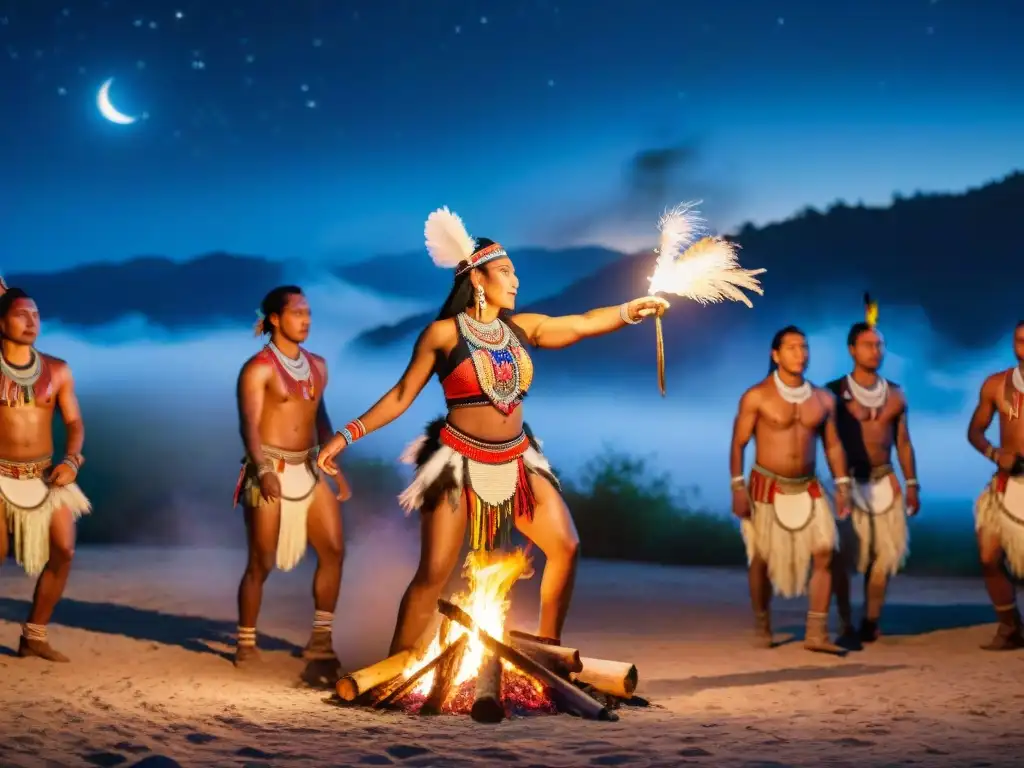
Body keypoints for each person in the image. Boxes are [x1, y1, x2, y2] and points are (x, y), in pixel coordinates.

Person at [317, 206, 668, 654]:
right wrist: (343, 437)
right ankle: (393, 670)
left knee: (566, 545)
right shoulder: (442, 335)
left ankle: (549, 653)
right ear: (478, 280)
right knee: (433, 574)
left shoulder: (523, 328)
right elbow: (402, 395)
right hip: (457, 462)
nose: (516, 281)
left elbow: (581, 324)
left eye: (515, 272)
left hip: (518, 461)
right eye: (505, 272)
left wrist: (630, 310)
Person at [233, 286, 350, 674]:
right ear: (275, 320)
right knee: (261, 561)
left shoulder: (318, 365)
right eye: (298, 313)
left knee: (333, 549)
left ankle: (320, 640)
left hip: (309, 468)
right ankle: (246, 641)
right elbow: (249, 424)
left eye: (309, 313)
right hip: (271, 468)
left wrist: (331, 458)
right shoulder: (258, 368)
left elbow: (319, 415)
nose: (306, 320)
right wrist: (263, 470)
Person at [729, 325, 852, 654]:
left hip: (809, 487)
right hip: (765, 486)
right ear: (776, 354)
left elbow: (834, 445)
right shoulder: (756, 396)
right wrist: (737, 487)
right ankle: (762, 623)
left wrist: (842, 484)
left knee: (825, 549)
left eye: (805, 347)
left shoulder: (823, 399)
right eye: (793, 347)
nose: (801, 354)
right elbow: (738, 444)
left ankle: (816, 632)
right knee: (760, 558)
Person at [0, 282, 91, 662]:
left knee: (64, 550)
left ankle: (34, 635)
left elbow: (74, 423)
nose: (32, 321)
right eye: (21, 314)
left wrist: (71, 460)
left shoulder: (57, 370)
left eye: (36, 315)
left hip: (44, 476)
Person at [826, 295, 919, 647]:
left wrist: (911, 483)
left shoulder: (895, 394)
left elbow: (904, 443)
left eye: (879, 345)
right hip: (847, 483)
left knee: (883, 557)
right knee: (842, 559)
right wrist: (838, 483)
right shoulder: (833, 393)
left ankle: (871, 620)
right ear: (852, 349)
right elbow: (827, 440)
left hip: (885, 480)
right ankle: (846, 622)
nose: (875, 351)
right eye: (868, 345)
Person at [966, 319, 1024, 650]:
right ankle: (1009, 625)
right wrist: (993, 452)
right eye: (1020, 339)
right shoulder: (995, 385)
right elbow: (975, 430)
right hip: (1005, 483)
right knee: (989, 556)